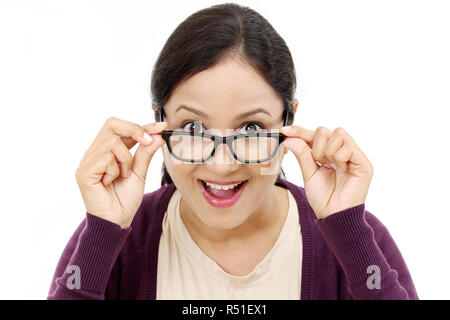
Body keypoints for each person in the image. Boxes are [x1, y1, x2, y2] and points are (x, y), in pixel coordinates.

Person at [47, 3, 418, 300]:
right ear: (157, 123)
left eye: (252, 129)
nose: (222, 164)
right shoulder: (116, 239)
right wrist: (101, 233)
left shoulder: (351, 235)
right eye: (193, 128)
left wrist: (348, 233)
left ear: (288, 121)